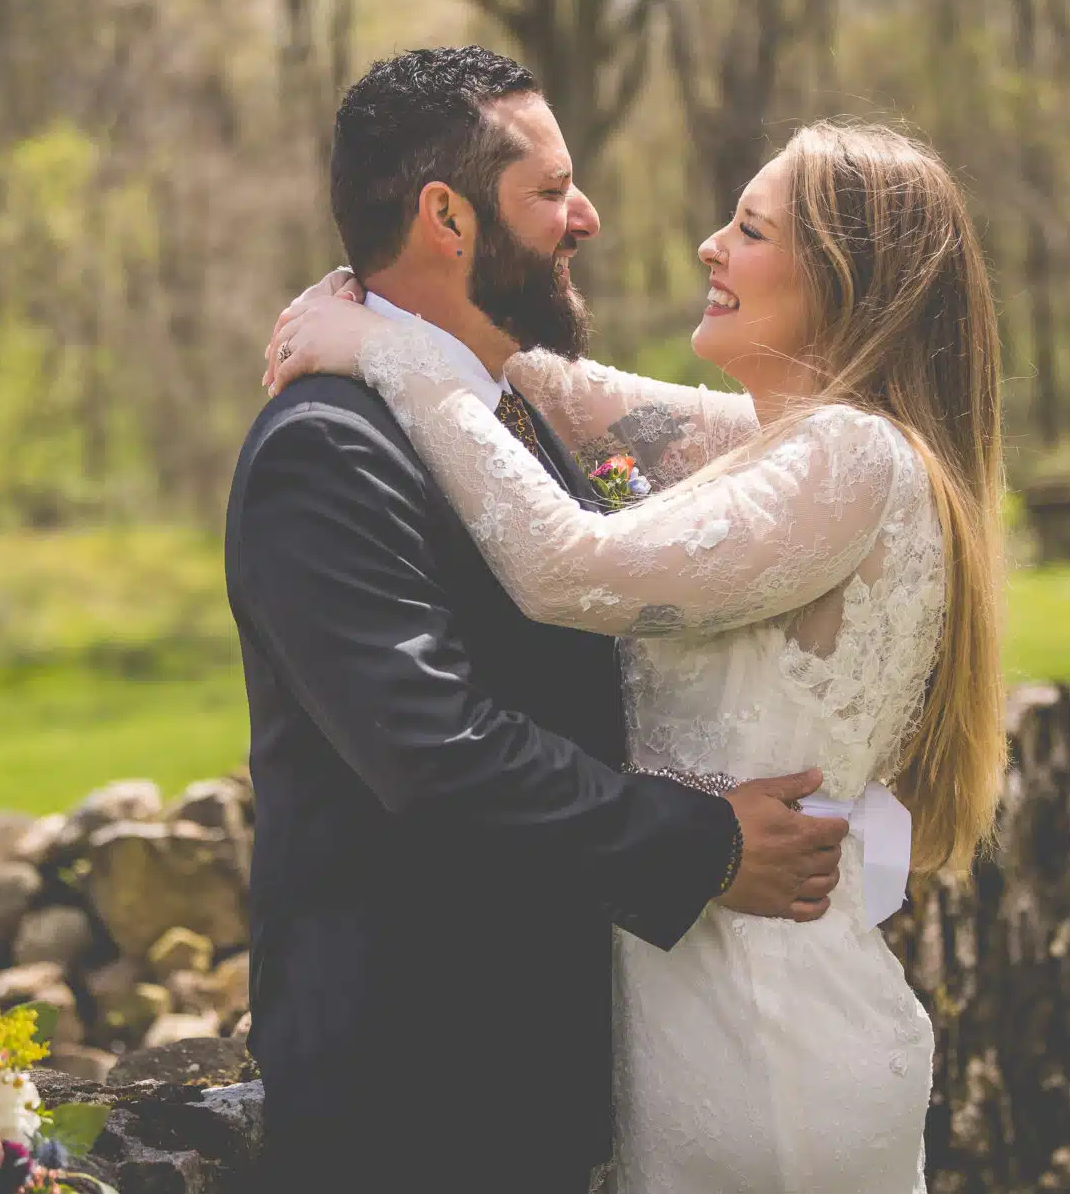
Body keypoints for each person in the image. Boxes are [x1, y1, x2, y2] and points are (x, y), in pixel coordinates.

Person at [266, 107, 1010, 1191]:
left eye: (749, 231)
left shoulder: (847, 458)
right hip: (707, 1005)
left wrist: (385, 349)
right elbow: (567, 395)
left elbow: (567, 567)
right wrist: (398, 322)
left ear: (848, 282)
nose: (709, 246)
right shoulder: (799, 439)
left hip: (762, 1037)